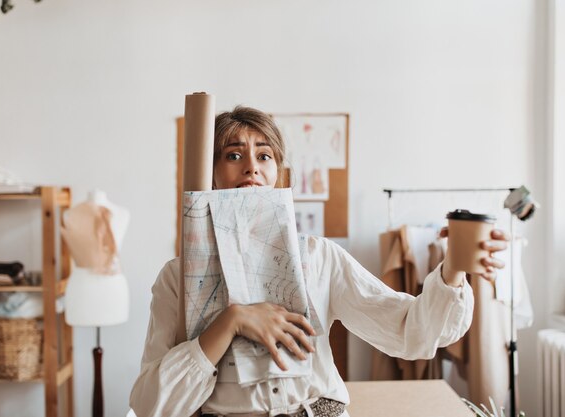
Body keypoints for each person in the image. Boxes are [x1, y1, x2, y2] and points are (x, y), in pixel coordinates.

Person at [129, 106, 509, 417]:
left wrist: (455, 268)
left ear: (278, 174)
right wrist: (232, 321)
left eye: (264, 155)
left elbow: (411, 333)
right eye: (233, 155)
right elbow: (150, 405)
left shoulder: (318, 257)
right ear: (210, 174)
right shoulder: (178, 278)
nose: (251, 167)